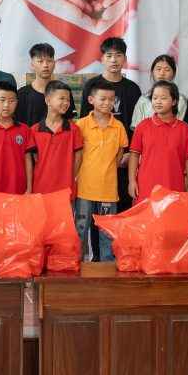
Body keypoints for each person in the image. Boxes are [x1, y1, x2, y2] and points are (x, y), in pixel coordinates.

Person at [80, 37, 141, 211]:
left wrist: (131, 153)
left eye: (118, 55)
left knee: (121, 204)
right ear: (102, 59)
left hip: (124, 156)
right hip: (96, 159)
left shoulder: (133, 89)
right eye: (109, 55)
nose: (114, 60)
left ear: (125, 59)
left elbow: (137, 125)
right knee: (91, 209)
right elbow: (85, 121)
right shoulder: (91, 85)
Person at [74, 81, 129, 262]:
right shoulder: (81, 125)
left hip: (108, 189)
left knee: (107, 230)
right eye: (102, 99)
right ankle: (77, 262)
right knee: (81, 228)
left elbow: (119, 155)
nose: (107, 103)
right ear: (91, 100)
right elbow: (76, 155)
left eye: (111, 99)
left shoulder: (118, 127)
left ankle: (107, 264)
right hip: (84, 188)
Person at [128, 81, 188, 201]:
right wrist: (132, 181)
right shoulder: (143, 126)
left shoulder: (184, 128)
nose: (158, 102)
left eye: (163, 98)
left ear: (174, 101)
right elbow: (134, 155)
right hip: (146, 187)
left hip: (174, 186)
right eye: (155, 98)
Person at [30, 80, 84, 197]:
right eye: (62, 98)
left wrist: (68, 177)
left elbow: (78, 157)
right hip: (40, 190)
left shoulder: (73, 129)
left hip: (65, 191)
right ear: (48, 100)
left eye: (68, 100)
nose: (66, 103)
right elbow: (34, 159)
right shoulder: (34, 130)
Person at [131, 54, 187, 127]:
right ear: (152, 72)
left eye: (167, 70)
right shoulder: (143, 99)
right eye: (158, 69)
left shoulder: (180, 99)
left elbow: (180, 126)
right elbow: (137, 128)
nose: (162, 73)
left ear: (174, 74)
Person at [17, 43, 63, 125]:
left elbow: (69, 121)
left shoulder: (63, 92)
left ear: (54, 63)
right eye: (40, 61)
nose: (45, 65)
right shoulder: (22, 94)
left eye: (49, 61)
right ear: (32, 65)